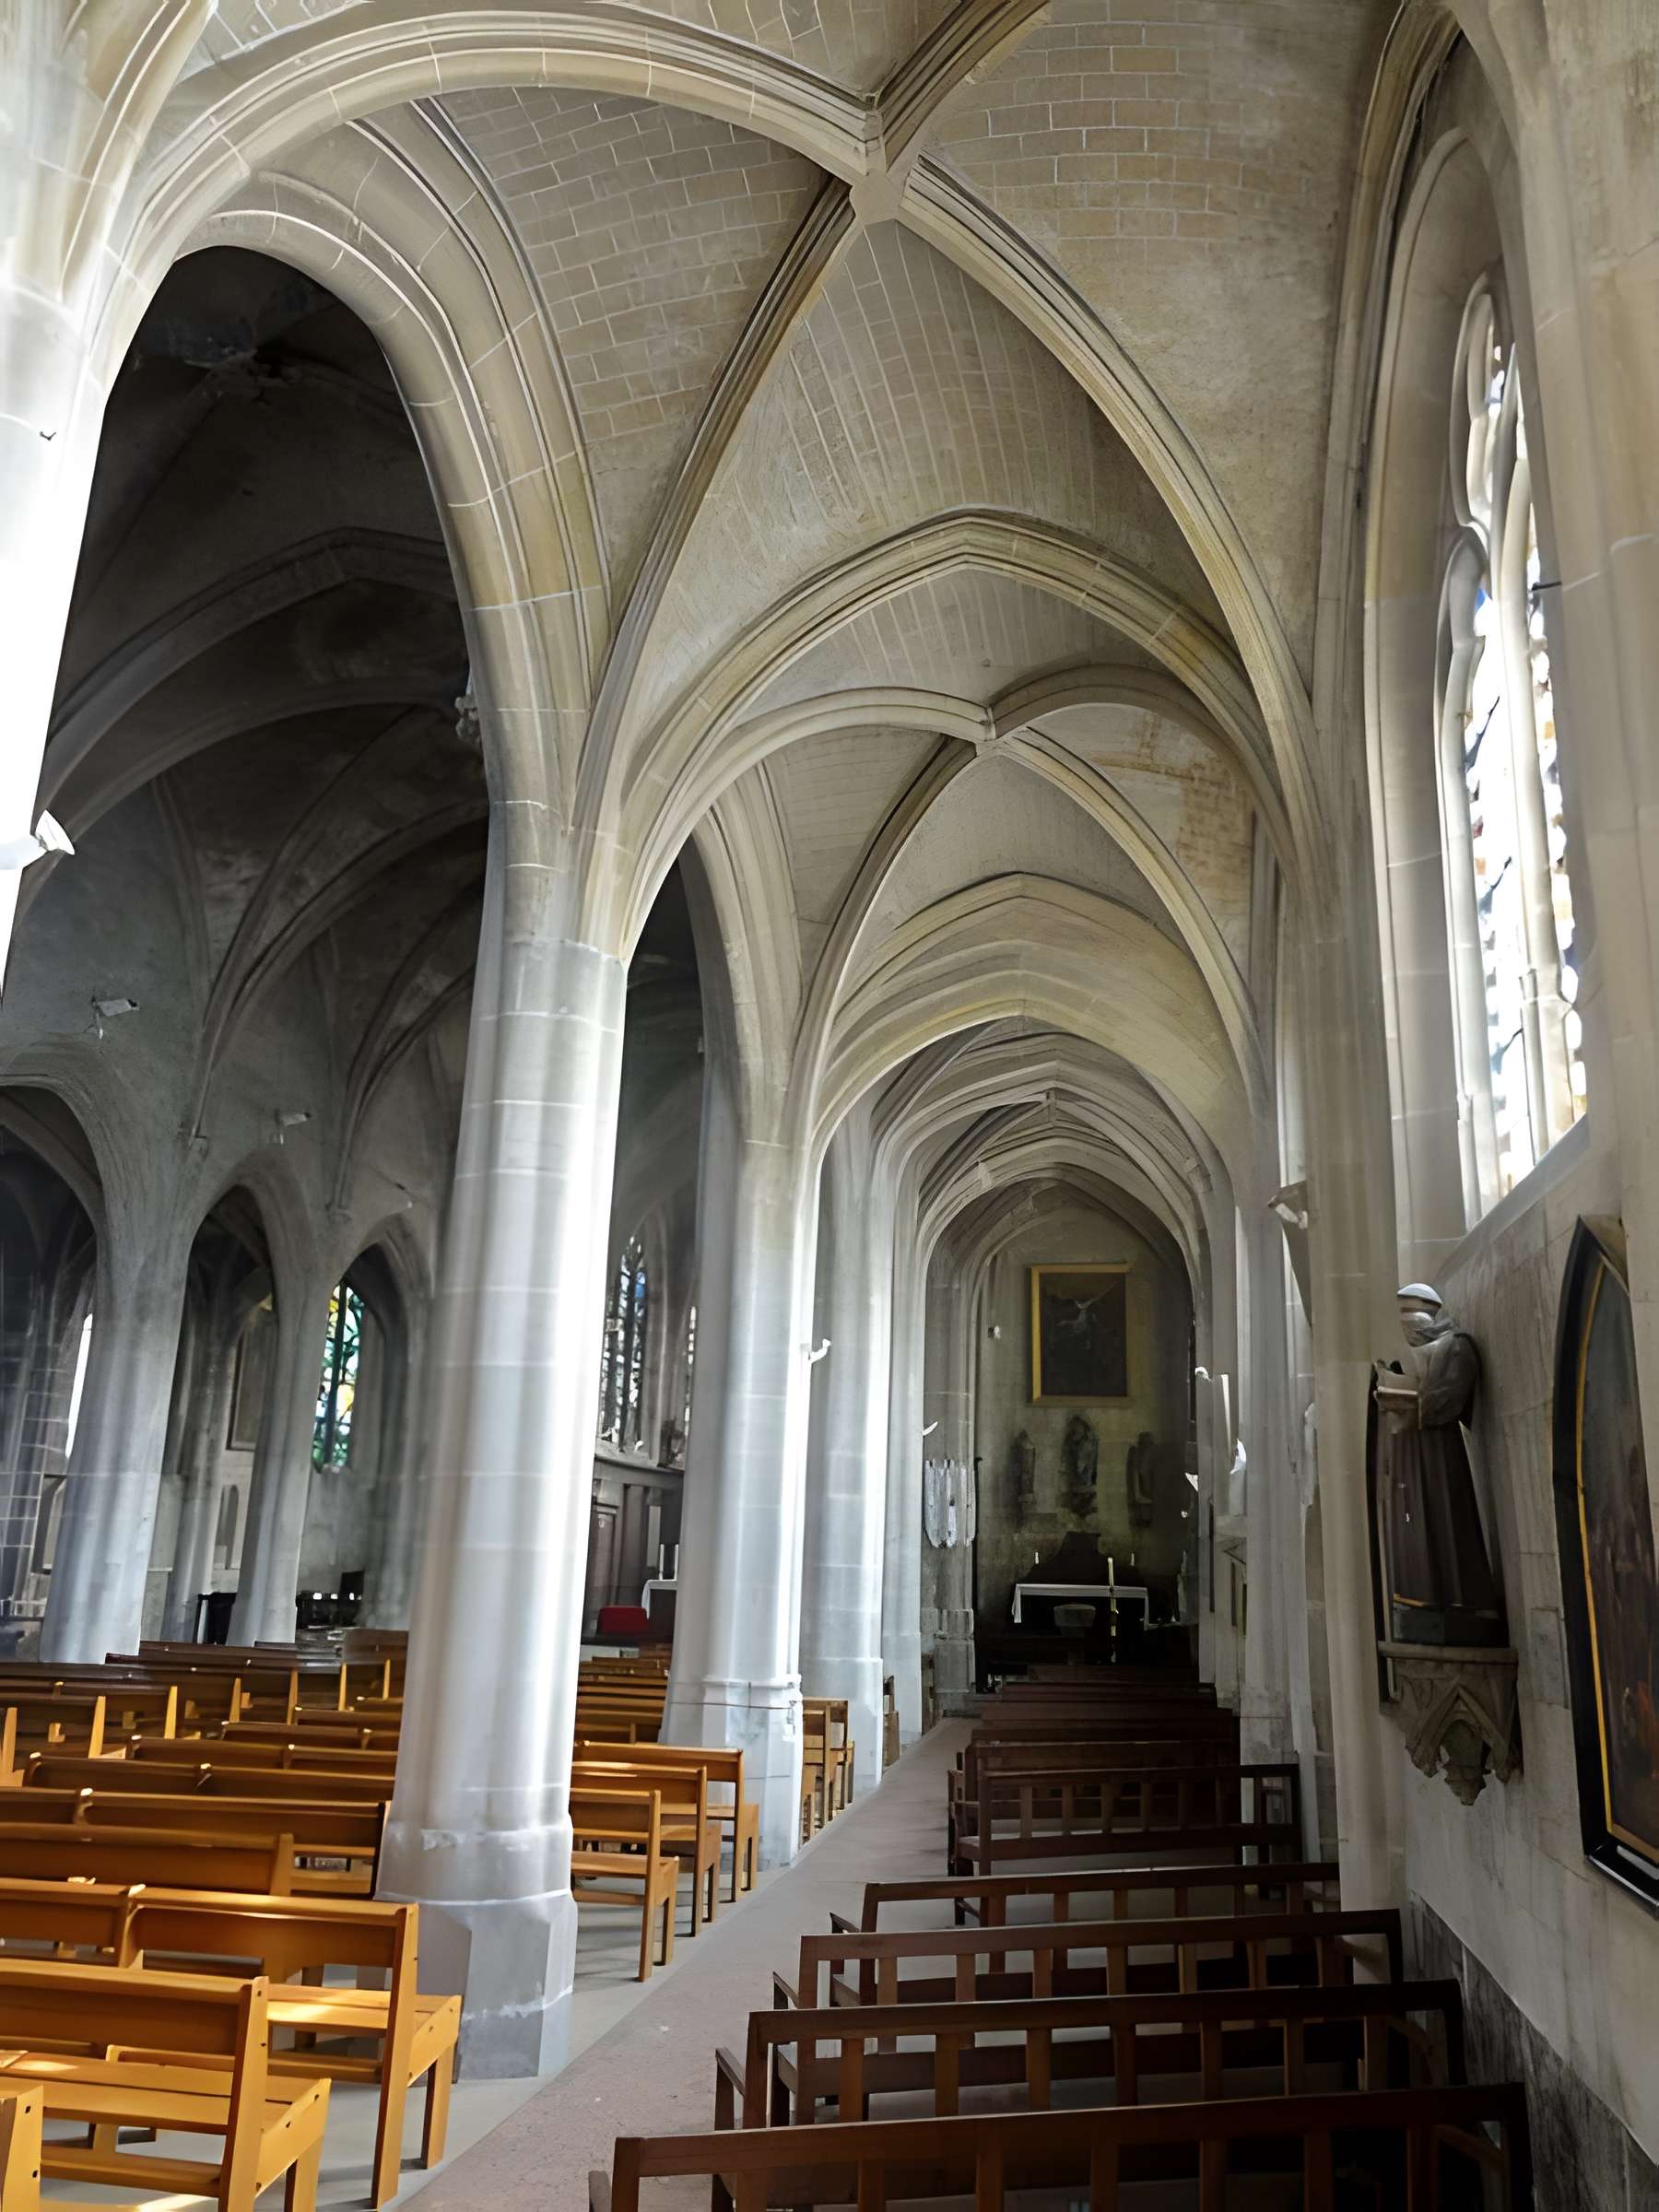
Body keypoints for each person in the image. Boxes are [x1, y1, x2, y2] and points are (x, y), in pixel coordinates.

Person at [1371, 1283, 1504, 1645]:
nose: (1404, 1325)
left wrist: (1412, 1402)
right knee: (1411, 1524)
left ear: (1428, 1313)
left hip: (1440, 1451)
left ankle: (1459, 1603)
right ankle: (1416, 1601)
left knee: (1446, 1516)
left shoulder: (1455, 1345)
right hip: (1407, 1451)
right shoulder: (1405, 1353)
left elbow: (1449, 1398)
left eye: (1408, 1316)